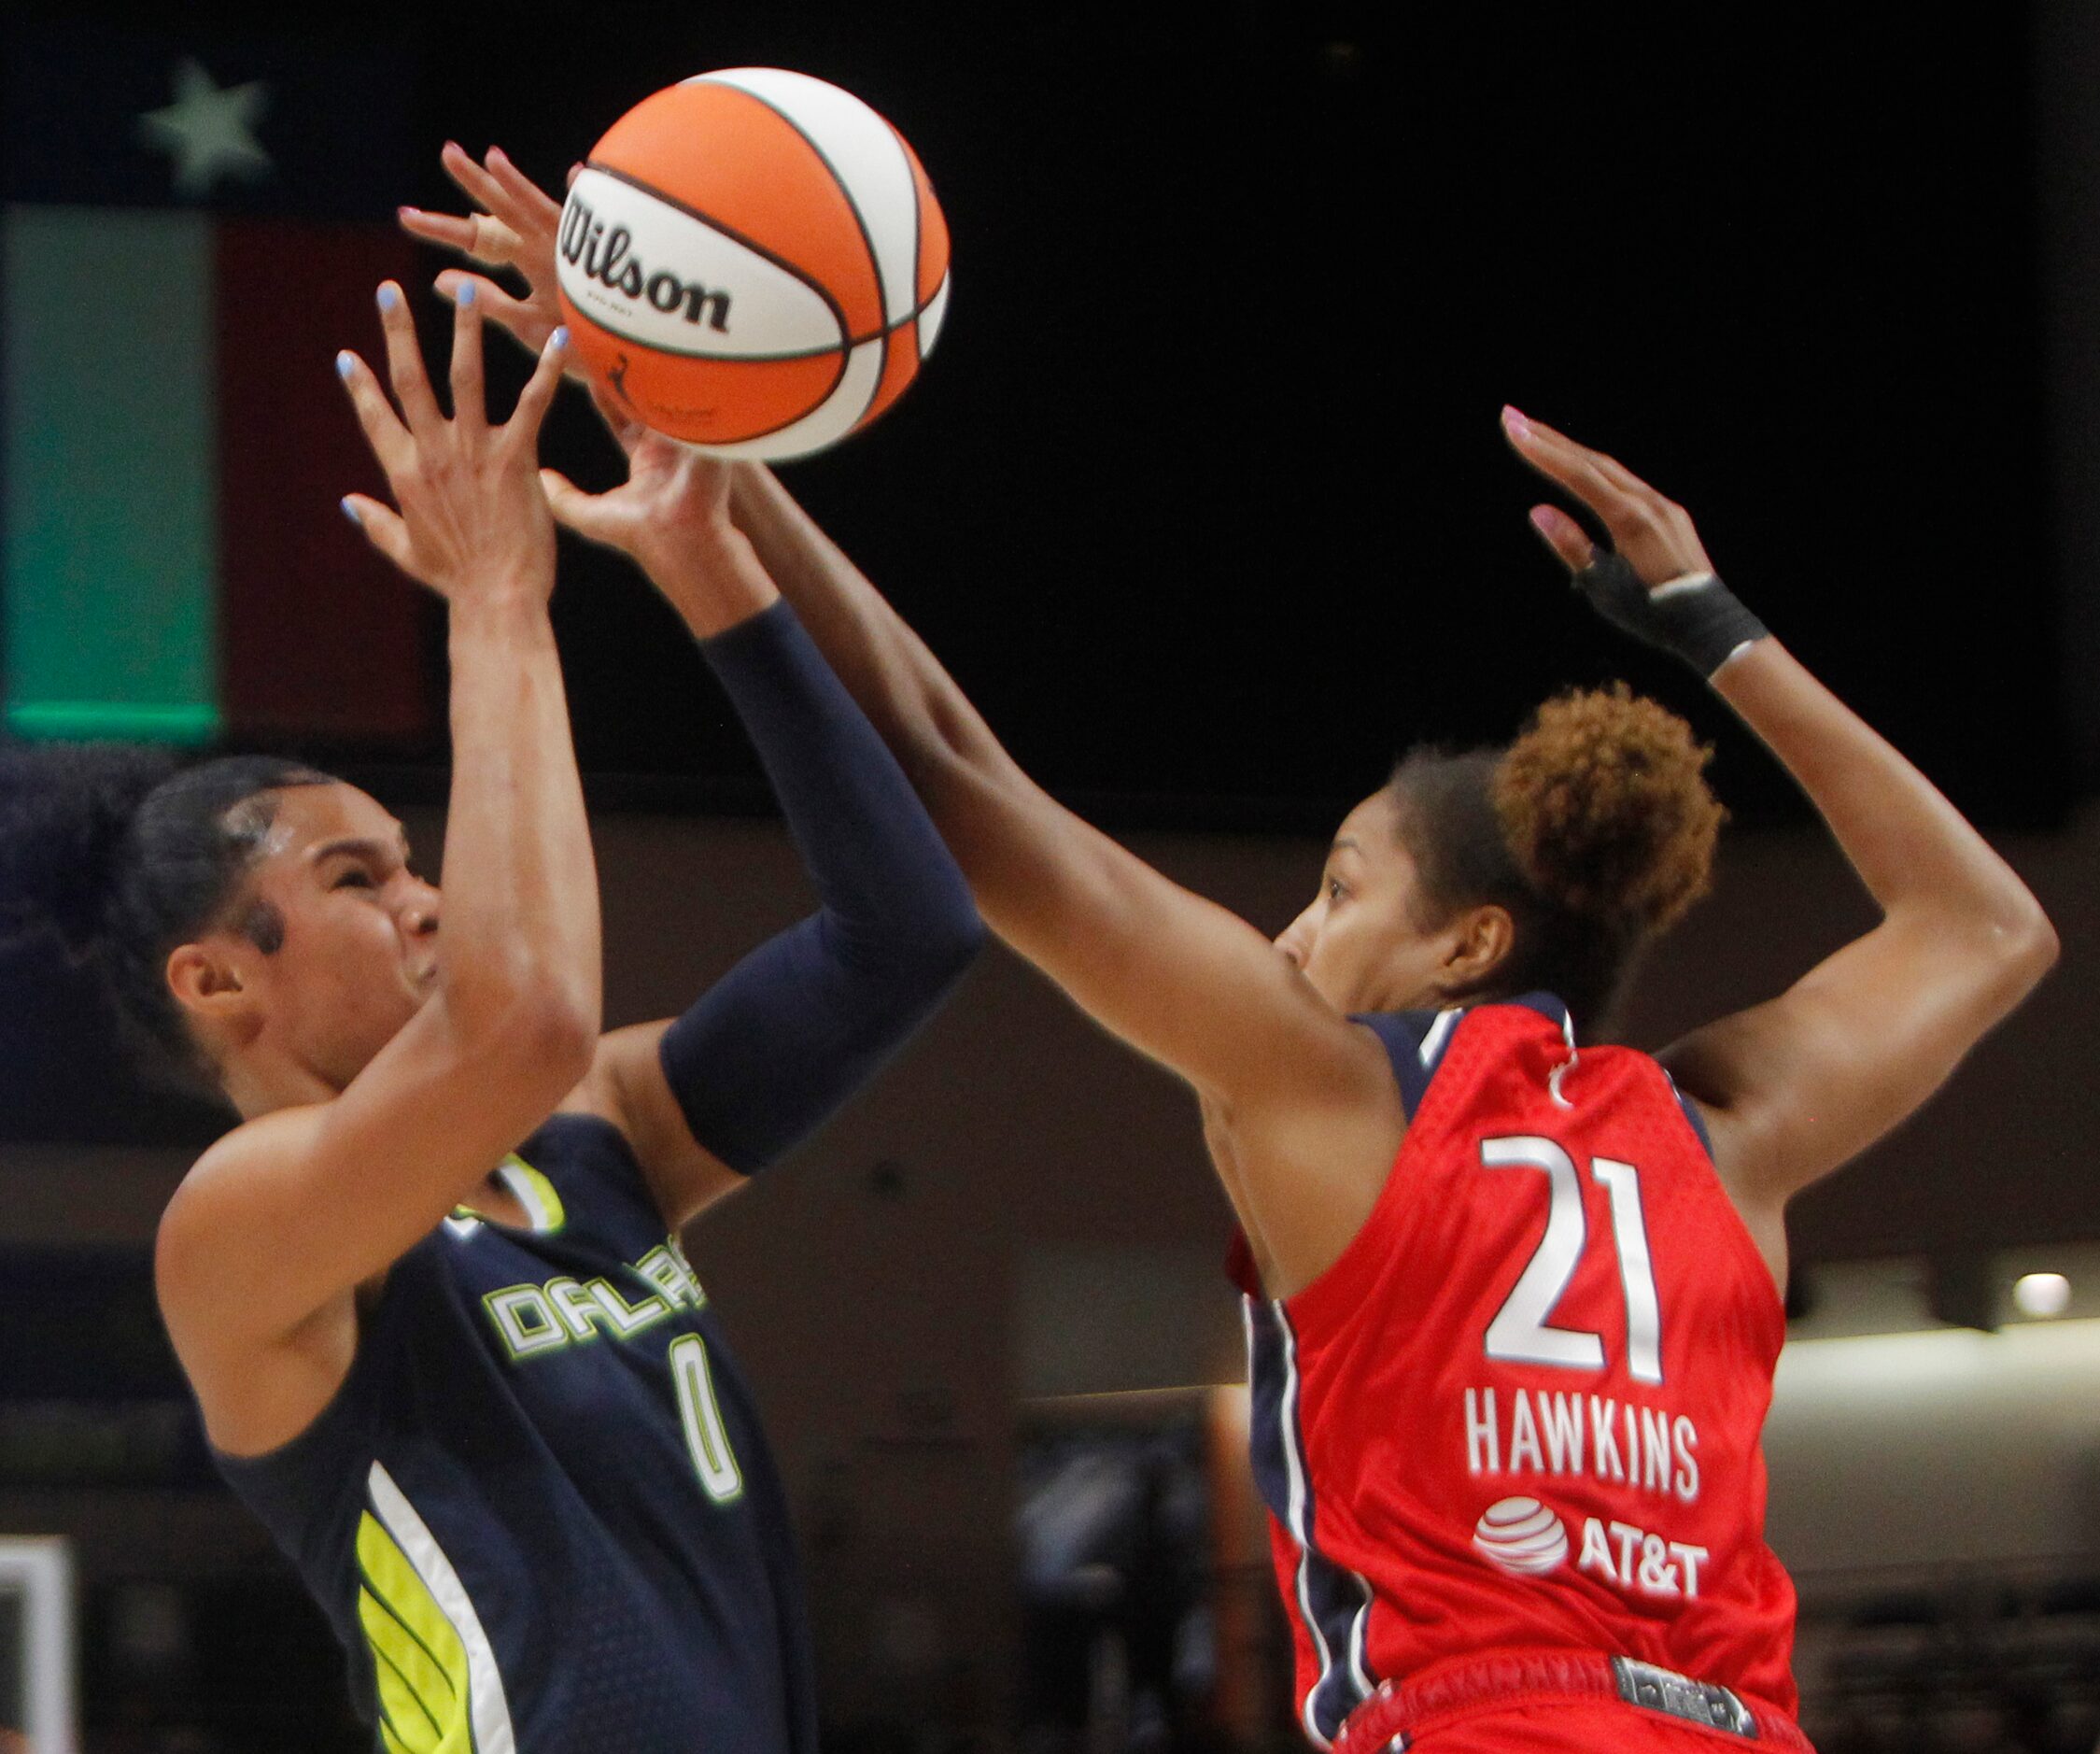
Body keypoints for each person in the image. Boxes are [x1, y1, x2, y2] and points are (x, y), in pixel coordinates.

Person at [420, 153, 2056, 1750]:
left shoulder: (1322, 1080)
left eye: (1342, 888)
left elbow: (952, 776)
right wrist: (1717, 625)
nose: (1291, 929)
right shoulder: (1731, 1135)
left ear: (1464, 944)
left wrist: (704, 439)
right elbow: (1984, 925)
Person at [0, 281, 981, 1750]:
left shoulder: (597, 1129)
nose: (429, 900)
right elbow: (520, 1018)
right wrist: (497, 600)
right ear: (214, 978)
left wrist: (706, 562)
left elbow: (907, 931)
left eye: (413, 862)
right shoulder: (240, 1229)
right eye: (358, 876)